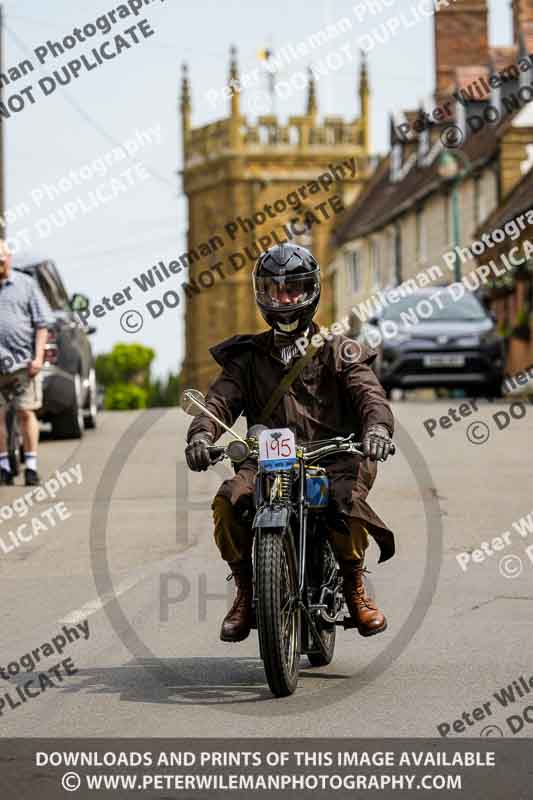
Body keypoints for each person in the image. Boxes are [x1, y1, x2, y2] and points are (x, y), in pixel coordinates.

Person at [185, 243, 395, 643]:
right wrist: (201, 434)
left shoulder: (338, 349)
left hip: (333, 456)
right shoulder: (246, 358)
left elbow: (370, 395)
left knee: (347, 503)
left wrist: (377, 430)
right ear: (260, 294)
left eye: (292, 289)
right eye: (273, 289)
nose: (282, 299)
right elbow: (218, 402)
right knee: (229, 500)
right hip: (266, 459)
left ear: (310, 292)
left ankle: (354, 586)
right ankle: (247, 591)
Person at [0, 242, 54, 486]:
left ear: (9, 258)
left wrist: (38, 357)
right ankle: (3, 466)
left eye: (1, 260)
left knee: (25, 412)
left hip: (23, 363)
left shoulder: (26, 284)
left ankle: (31, 467)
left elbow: (42, 323)